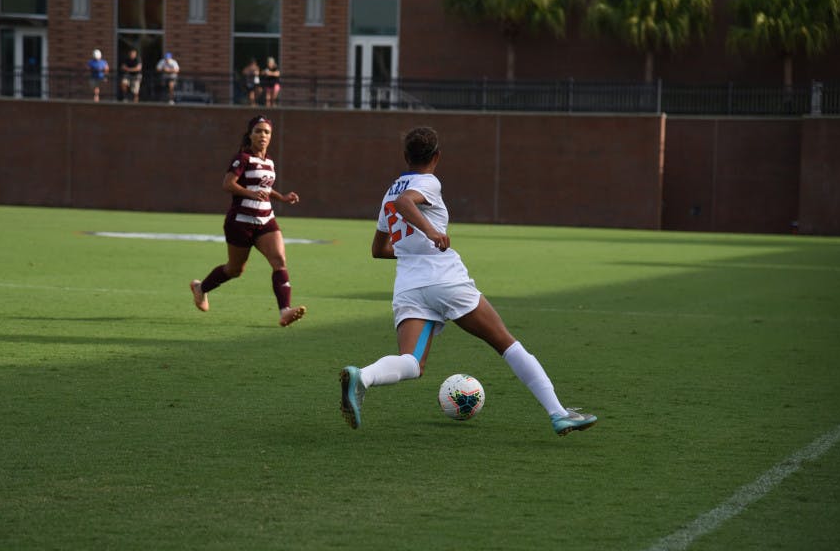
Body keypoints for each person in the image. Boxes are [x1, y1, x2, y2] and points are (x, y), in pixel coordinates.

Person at [339, 126, 597, 436]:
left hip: (409, 284)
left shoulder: (388, 192)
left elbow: (379, 250)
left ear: (405, 156)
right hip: (445, 278)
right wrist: (432, 233)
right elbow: (408, 204)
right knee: (506, 343)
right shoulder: (428, 182)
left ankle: (363, 377)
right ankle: (558, 413)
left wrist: (413, 248)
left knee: (412, 362)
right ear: (437, 156)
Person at [191, 115, 306, 328]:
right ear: (250, 134)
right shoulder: (242, 158)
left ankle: (284, 311)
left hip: (265, 220)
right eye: (258, 131)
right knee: (235, 269)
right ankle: (201, 288)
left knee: (279, 260)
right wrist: (250, 194)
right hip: (240, 221)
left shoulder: (269, 161)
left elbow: (264, 187)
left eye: (267, 132)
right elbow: (228, 184)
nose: (263, 135)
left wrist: (282, 197)